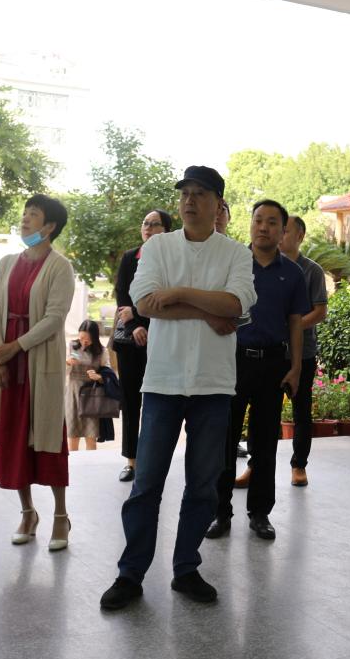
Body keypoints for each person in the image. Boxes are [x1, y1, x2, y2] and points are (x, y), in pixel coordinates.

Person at [99, 165, 256, 611]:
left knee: (203, 486)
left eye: (200, 193)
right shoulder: (158, 247)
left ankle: (186, 568)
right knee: (146, 483)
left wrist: (179, 292)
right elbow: (144, 302)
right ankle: (130, 574)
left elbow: (236, 303)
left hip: (213, 384)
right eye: (185, 193)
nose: (189, 200)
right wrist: (207, 311)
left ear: (218, 204)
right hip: (164, 381)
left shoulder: (235, 254)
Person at [206, 199, 309, 542]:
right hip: (232, 360)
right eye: (258, 220)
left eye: (272, 222)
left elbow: (296, 322)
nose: (263, 227)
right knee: (225, 439)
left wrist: (296, 367)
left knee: (265, 442)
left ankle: (260, 513)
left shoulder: (292, 273)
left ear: (283, 230)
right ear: (250, 224)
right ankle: (220, 512)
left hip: (273, 364)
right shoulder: (233, 263)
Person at [0, 194, 77, 552]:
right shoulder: (7, 263)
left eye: (33, 215)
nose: (25, 219)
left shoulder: (60, 267)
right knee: (13, 438)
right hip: (9, 365)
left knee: (49, 438)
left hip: (41, 363)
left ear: (50, 226)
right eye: (24, 213)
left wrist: (16, 347)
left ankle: (60, 516)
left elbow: (54, 318)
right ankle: (27, 513)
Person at [112, 208, 174, 482]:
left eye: (154, 224)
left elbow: (167, 297)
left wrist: (141, 320)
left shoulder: (172, 259)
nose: (148, 227)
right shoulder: (130, 258)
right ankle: (132, 460)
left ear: (167, 230)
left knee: (158, 403)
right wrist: (134, 325)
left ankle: (153, 460)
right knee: (131, 401)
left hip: (161, 338)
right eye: (145, 223)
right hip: (131, 340)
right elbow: (122, 296)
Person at [279, 215, 328, 487]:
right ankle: (255, 465)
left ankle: (299, 465)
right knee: (264, 411)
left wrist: (292, 327)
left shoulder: (312, 271)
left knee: (301, 411)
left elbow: (320, 312)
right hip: (272, 351)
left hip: (303, 352)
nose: (280, 234)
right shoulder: (266, 267)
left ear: (300, 236)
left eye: (286, 230)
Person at [64, 319, 112, 452]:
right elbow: (63, 373)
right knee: (73, 437)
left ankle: (91, 463)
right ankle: (73, 463)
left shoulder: (101, 351)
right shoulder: (72, 346)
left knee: (91, 438)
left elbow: (109, 374)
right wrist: (67, 363)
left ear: (94, 338)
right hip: (73, 395)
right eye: (81, 338)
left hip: (92, 397)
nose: (83, 342)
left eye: (87, 339)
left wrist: (99, 377)